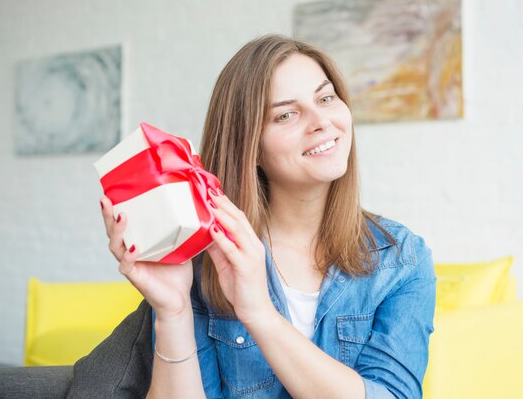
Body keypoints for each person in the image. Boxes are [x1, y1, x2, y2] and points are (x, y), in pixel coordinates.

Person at [100, 34, 436, 399]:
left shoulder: (401, 258)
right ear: (250, 148)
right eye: (286, 114)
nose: (321, 120)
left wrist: (260, 313)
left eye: (325, 98)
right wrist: (173, 312)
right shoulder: (205, 263)